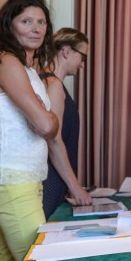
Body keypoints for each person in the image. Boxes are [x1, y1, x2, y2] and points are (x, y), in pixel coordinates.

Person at [0, 0, 89, 261]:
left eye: (41, 22)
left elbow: (46, 126)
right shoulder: (5, 61)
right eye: (26, 21)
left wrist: (43, 114)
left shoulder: (27, 68)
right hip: (10, 181)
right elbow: (47, 126)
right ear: (8, 25)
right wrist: (45, 114)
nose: (36, 28)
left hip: (22, 179)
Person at [41, 28, 93, 218]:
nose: (82, 65)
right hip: (51, 177)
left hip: (54, 174)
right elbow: (54, 141)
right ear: (66, 51)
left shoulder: (49, 82)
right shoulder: (53, 86)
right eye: (83, 57)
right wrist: (76, 187)